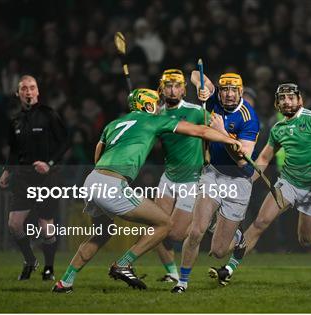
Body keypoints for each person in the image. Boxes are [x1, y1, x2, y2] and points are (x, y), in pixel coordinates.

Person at [52, 88, 243, 293]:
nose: (159, 108)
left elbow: (98, 153)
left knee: (101, 233)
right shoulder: (154, 120)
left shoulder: (114, 124)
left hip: (93, 180)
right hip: (112, 185)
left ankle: (65, 282)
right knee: (164, 224)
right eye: (156, 104)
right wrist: (231, 140)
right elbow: (200, 131)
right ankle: (123, 264)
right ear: (149, 105)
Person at [209, 83, 311, 286]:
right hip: (288, 183)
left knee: (306, 239)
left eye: (291, 97)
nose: (287, 102)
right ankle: (229, 269)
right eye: (283, 98)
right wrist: (246, 180)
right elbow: (264, 158)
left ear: (299, 100)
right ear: (277, 103)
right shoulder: (278, 129)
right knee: (260, 223)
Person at [171, 72, 259, 293]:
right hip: (213, 174)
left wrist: (221, 133)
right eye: (224, 90)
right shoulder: (214, 100)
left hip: (239, 181)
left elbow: (243, 162)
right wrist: (202, 87)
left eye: (233, 90)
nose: (228, 95)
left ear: (241, 91)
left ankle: (237, 237)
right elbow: (194, 74)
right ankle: (182, 282)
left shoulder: (249, 118)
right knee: (196, 231)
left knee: (219, 251)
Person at [0, 75, 69, 281]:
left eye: (32, 88)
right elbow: (14, 151)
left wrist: (50, 164)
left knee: (45, 223)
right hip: (23, 177)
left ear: (38, 91)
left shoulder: (49, 115)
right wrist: (7, 170)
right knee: (14, 224)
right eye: (24, 89)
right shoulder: (16, 120)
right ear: (18, 93)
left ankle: (49, 268)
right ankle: (30, 260)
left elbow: (65, 143)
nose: (28, 92)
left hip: (47, 177)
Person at [153, 69, 209, 283]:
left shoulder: (196, 111)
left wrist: (207, 93)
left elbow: (217, 130)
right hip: (168, 178)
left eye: (177, 86)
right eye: (168, 86)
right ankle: (172, 273)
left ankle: (205, 225)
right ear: (162, 88)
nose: (173, 90)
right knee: (155, 230)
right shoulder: (157, 114)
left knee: (174, 234)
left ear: (184, 89)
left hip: (191, 181)